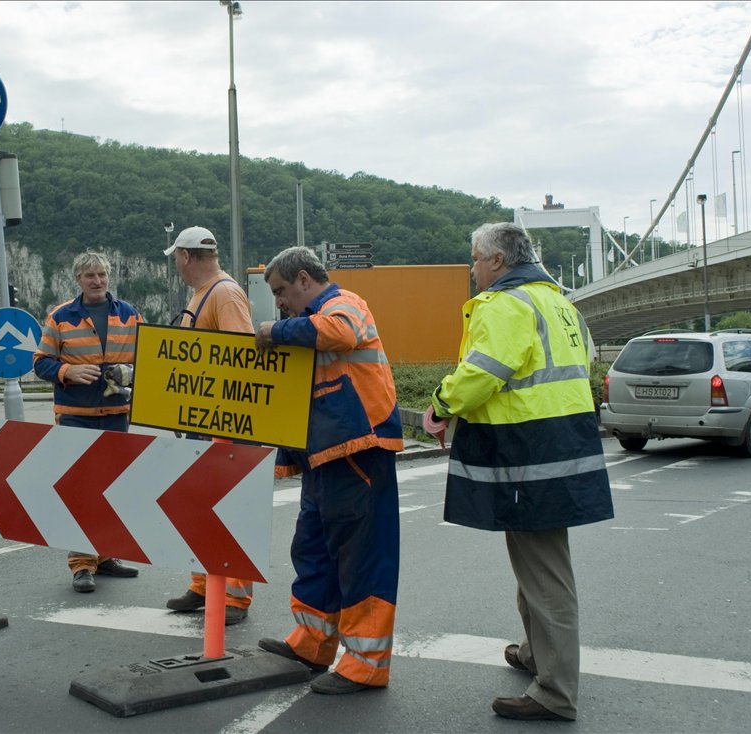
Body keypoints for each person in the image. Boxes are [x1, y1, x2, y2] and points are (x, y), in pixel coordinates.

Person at [423, 222, 614, 722]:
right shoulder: (557, 303)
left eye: (475, 259)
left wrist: (441, 405)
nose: (471, 269)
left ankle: (555, 691)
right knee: (533, 554)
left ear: (498, 262)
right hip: (562, 441)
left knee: (545, 569)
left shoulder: (505, 305)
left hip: (527, 447)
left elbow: (483, 371)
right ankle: (535, 652)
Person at [253, 245, 403, 695]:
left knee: (361, 558)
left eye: (281, 291)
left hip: (359, 450)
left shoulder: (344, 304)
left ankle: (366, 664)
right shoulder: (310, 321)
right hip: (325, 454)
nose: (279, 301)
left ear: (304, 279)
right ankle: (312, 642)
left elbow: (337, 333)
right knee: (314, 549)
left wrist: (274, 330)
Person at [33, 251, 144, 593]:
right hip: (75, 418)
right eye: (89, 275)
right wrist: (69, 371)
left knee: (112, 489)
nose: (97, 281)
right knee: (81, 490)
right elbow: (40, 363)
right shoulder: (61, 317)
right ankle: (82, 564)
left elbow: (150, 359)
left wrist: (131, 374)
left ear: (109, 277)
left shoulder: (130, 315)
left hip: (115, 417)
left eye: (102, 275)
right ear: (78, 280)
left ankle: (106, 555)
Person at [162, 226, 256, 626]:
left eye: (176, 260)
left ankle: (234, 597)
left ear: (185, 257)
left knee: (228, 510)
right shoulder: (203, 294)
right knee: (199, 506)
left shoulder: (225, 293)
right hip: (202, 421)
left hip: (223, 424)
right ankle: (203, 585)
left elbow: (242, 358)